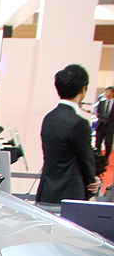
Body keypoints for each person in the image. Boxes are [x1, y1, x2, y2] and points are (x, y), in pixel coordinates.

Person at [38, 63, 99, 204]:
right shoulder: (79, 123)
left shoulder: (49, 118)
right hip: (70, 193)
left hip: (47, 190)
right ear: (83, 89)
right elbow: (85, 159)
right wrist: (92, 184)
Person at [94, 86, 114, 159]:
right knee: (97, 143)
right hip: (101, 125)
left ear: (112, 93)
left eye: (108, 91)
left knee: (108, 144)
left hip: (110, 127)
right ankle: (98, 158)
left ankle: (106, 158)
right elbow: (98, 112)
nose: (106, 93)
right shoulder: (102, 102)